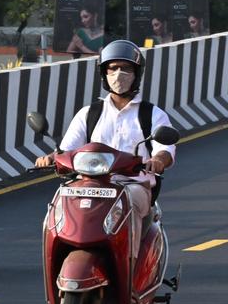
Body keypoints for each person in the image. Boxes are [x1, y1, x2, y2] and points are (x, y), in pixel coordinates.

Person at [35, 40, 176, 256]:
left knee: (131, 209)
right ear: (104, 73)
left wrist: (158, 160)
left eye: (126, 68)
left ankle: (131, 262)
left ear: (136, 73)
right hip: (89, 185)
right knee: (55, 211)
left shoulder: (153, 115)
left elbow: (164, 149)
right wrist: (51, 158)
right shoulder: (89, 113)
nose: (119, 74)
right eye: (113, 68)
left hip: (133, 186)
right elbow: (66, 150)